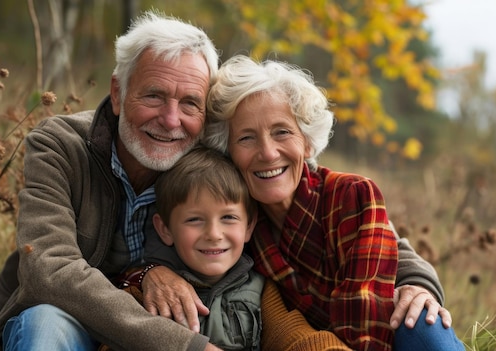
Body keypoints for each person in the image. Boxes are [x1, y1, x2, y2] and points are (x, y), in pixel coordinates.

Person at [0, 10, 223, 351]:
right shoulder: (59, 144)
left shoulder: (210, 169)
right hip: (62, 330)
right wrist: (186, 346)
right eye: (154, 95)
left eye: (190, 103)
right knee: (45, 321)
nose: (170, 119)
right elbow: (49, 272)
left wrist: (148, 269)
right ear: (118, 92)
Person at [194, 55, 463, 350]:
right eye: (246, 138)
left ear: (307, 141)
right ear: (227, 152)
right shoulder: (233, 221)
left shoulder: (350, 195)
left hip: (381, 336)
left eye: (282, 132)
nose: (268, 153)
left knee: (422, 323)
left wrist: (421, 284)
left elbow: (366, 317)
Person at [103, 145, 265, 350]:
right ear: (165, 229)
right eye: (194, 219)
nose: (214, 234)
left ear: (249, 226)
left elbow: (293, 336)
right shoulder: (149, 293)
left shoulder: (261, 290)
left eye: (228, 217)